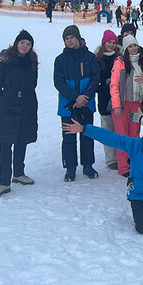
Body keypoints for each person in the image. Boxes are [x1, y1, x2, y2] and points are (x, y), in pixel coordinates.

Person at [62, 117, 143, 236]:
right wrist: (84, 129)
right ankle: (133, 186)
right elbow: (111, 138)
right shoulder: (136, 145)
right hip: (139, 194)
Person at [0, 30, 38, 197]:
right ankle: (4, 182)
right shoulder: (4, 63)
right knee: (5, 143)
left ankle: (18, 173)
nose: (25, 46)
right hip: (8, 109)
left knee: (22, 140)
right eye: (23, 43)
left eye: (28, 44)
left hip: (27, 107)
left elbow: (32, 85)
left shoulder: (31, 63)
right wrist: (3, 103)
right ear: (16, 44)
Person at [54, 24, 100, 182]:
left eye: (71, 38)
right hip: (68, 105)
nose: (69, 41)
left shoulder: (90, 57)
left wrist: (84, 97)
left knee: (87, 134)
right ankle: (70, 167)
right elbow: (58, 82)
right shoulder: (60, 60)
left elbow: (95, 79)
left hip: (86, 103)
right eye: (66, 39)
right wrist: (75, 97)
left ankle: (88, 165)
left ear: (78, 38)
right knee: (69, 136)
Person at [110, 35, 143, 177]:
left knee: (134, 135)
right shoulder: (119, 62)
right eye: (130, 46)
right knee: (122, 136)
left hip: (136, 104)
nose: (133, 48)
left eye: (135, 45)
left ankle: (133, 163)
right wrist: (117, 105)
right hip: (122, 105)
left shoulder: (142, 61)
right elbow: (114, 85)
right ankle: (123, 167)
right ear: (126, 48)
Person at [95, 29, 121, 171]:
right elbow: (94, 79)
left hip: (119, 99)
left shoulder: (120, 57)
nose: (111, 45)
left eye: (113, 42)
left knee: (119, 129)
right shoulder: (98, 59)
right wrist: (103, 85)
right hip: (105, 100)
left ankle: (121, 156)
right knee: (108, 129)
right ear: (104, 43)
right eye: (108, 42)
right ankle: (111, 158)